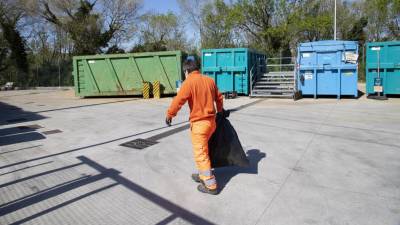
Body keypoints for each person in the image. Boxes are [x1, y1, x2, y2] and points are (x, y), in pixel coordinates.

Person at [166, 60, 223, 195]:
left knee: (201, 153)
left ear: (186, 71)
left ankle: (211, 185)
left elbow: (178, 100)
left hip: (199, 125)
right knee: (204, 150)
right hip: (211, 123)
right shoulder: (210, 80)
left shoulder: (189, 82)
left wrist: (170, 114)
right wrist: (219, 111)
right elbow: (219, 98)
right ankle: (203, 174)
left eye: (184, 73)